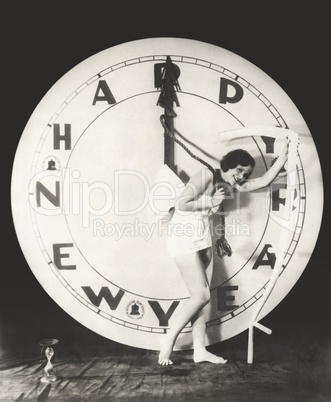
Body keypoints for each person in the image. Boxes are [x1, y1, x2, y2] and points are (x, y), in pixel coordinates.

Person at [158, 139, 294, 365]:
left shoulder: (231, 183)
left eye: (245, 174)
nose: (241, 176)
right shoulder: (207, 175)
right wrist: (210, 200)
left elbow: (261, 181)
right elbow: (181, 204)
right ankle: (168, 341)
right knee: (200, 295)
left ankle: (199, 350)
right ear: (230, 164)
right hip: (182, 236)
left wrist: (284, 156)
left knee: (200, 300)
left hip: (202, 237)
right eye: (240, 170)